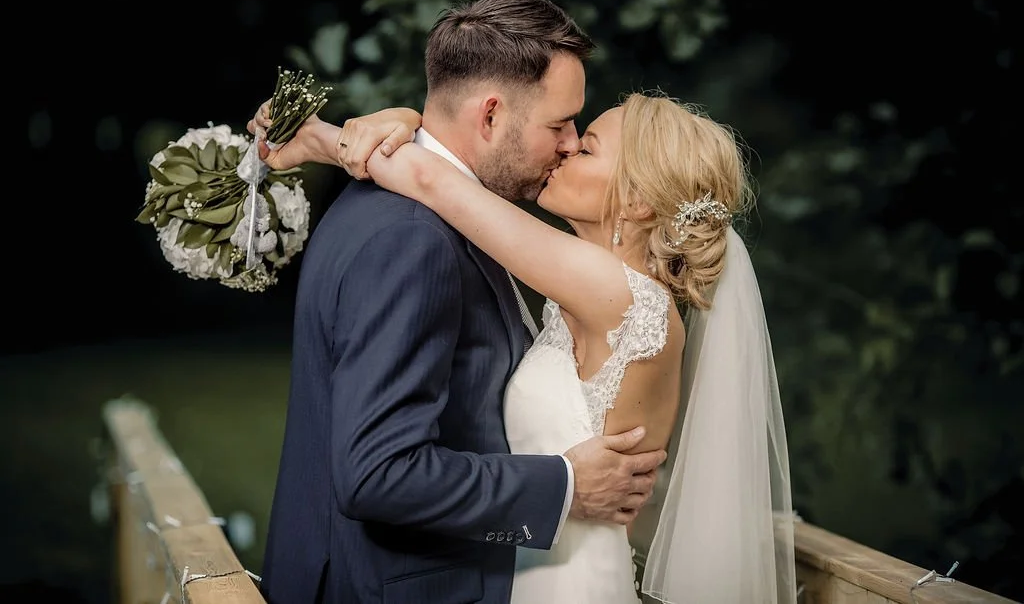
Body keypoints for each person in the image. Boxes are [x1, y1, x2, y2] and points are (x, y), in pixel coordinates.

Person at [252, 86, 800, 603]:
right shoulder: (597, 293)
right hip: (535, 563)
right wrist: (408, 123)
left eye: (587, 148)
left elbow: (433, 181)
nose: (565, 148)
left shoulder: (619, 295)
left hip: (568, 581)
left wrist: (322, 138)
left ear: (635, 201)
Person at [249, 0, 669, 604]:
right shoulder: (412, 239)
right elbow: (377, 473)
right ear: (491, 116)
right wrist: (564, 488)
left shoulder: (404, 206)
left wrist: (332, 139)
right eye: (559, 123)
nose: (569, 142)